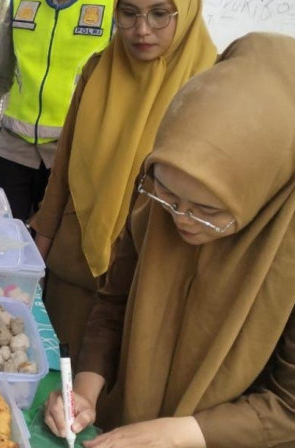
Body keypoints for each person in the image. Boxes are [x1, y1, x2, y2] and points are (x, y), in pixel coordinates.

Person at [44, 32, 295, 448]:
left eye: (208, 211)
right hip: (125, 431)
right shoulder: (154, 207)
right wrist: (86, 389)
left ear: (264, 191)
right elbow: (114, 305)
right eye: (168, 197)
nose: (181, 221)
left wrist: (168, 434)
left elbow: (288, 404)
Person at [30, 0, 216, 361]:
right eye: (129, 13)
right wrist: (39, 249)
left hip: (152, 275)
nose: (142, 29)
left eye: (160, 14)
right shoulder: (99, 70)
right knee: (57, 382)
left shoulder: (210, 83)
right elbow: (64, 167)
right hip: (75, 262)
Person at [0, 0, 114, 221]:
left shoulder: (111, 8)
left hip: (71, 151)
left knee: (54, 243)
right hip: (14, 147)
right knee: (0, 230)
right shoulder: (19, 3)